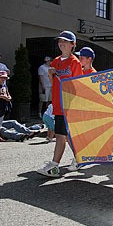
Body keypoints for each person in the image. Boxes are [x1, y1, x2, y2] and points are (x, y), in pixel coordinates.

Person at [37, 30, 83, 177]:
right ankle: (79, 158)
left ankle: (55, 165)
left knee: (61, 135)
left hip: (68, 105)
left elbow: (78, 85)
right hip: (57, 103)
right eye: (60, 41)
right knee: (64, 135)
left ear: (72, 44)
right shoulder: (56, 61)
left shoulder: (75, 62)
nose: (61, 43)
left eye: (65, 41)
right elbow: (54, 84)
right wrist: (51, 75)